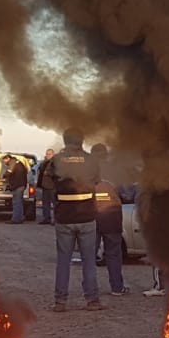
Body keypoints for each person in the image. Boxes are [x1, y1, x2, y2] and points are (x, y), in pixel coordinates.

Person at [49, 127, 103, 311]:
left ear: (65, 141)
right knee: (89, 260)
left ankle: (60, 302)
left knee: (63, 261)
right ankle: (92, 300)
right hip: (87, 216)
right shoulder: (91, 159)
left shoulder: (56, 159)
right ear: (81, 140)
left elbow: (46, 184)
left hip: (64, 217)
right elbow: (96, 181)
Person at [94, 176, 130, 297]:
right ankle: (117, 288)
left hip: (93, 222)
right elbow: (127, 197)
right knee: (113, 255)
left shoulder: (88, 184)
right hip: (112, 222)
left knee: (89, 257)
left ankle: (90, 290)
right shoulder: (113, 183)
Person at [3, 154, 29, 224]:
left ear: (8, 158)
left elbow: (9, 172)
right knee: (19, 202)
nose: (5, 162)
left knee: (16, 203)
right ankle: (20, 218)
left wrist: (4, 176)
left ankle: (16, 219)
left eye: (5, 160)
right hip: (21, 184)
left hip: (18, 185)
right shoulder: (18, 162)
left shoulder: (12, 162)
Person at [36, 148, 56, 225]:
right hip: (45, 185)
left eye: (49, 154)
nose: (48, 155)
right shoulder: (45, 162)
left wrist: (48, 173)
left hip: (52, 186)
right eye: (47, 154)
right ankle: (46, 218)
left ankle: (55, 220)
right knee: (45, 203)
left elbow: (56, 172)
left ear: (53, 154)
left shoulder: (55, 162)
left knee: (54, 204)